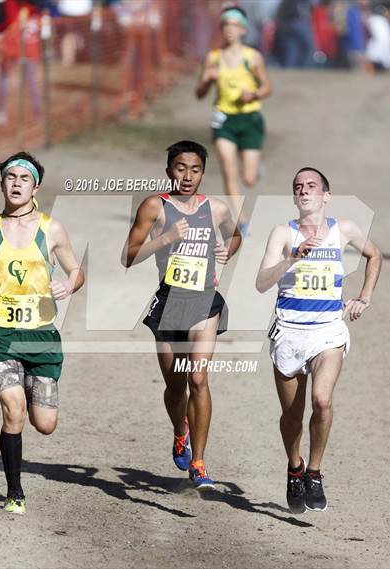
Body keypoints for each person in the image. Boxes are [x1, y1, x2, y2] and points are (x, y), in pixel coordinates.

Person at [256, 167, 382, 513]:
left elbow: (375, 254)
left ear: (326, 195)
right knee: (292, 417)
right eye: (298, 186)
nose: (304, 190)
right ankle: (294, 468)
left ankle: (314, 471)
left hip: (328, 330)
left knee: (322, 401)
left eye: (312, 186)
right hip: (290, 331)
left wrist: (364, 296)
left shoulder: (344, 230)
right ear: (295, 197)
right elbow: (261, 282)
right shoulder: (283, 233)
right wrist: (292, 256)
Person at [122, 140, 241, 489]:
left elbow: (235, 237)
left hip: (204, 303)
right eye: (180, 168)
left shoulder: (216, 209)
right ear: (169, 171)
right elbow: (128, 255)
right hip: (169, 304)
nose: (187, 176)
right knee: (176, 387)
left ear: (203, 172)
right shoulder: (154, 207)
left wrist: (226, 250)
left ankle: (200, 462)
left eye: (195, 169)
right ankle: (180, 430)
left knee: (198, 379)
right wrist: (165, 238)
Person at [0, 151, 84, 514]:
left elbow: (76, 271)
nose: (16, 184)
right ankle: (14, 492)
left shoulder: (51, 229)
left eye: (24, 178)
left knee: (45, 424)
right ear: (2, 185)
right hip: (1, 334)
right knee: (13, 409)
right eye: (10, 178)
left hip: (40, 337)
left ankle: (28, 381)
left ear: (35, 186)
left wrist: (69, 285)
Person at [195, 6, 271, 233]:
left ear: (243, 30)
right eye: (225, 25)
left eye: (234, 25)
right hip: (224, 120)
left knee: (247, 178)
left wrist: (255, 94)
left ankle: (255, 169)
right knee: (228, 170)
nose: (229, 29)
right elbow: (199, 93)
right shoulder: (213, 58)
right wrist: (208, 79)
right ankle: (241, 218)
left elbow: (267, 86)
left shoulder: (253, 57)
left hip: (250, 120)